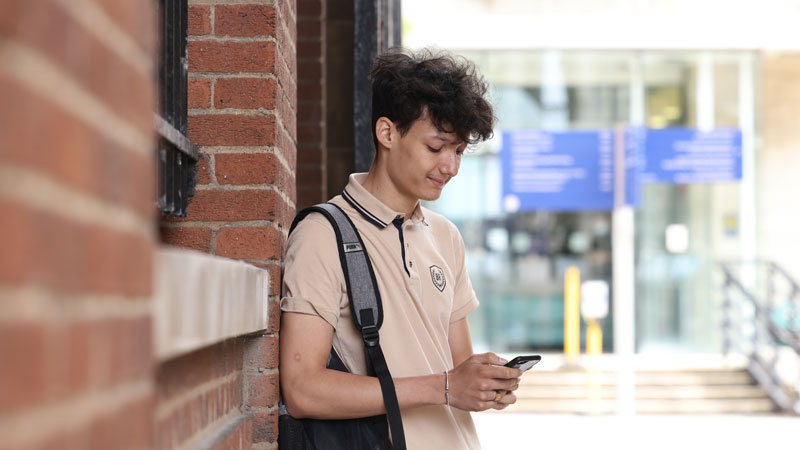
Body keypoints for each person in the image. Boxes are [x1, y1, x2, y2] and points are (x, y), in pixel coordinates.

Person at [280, 48, 522, 450]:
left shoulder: (446, 236)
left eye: (458, 151)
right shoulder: (322, 234)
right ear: (387, 133)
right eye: (436, 147)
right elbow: (303, 390)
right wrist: (445, 388)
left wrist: (484, 383)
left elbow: (456, 369)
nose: (451, 167)